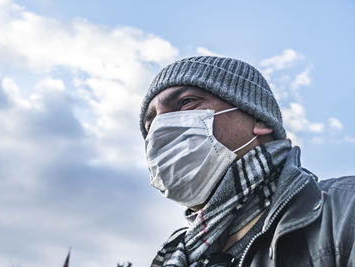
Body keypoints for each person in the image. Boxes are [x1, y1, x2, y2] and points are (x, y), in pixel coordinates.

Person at [139, 56, 355, 267]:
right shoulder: (177, 254)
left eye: (186, 102)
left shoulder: (344, 210)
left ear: (258, 118)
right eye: (151, 126)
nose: (161, 129)